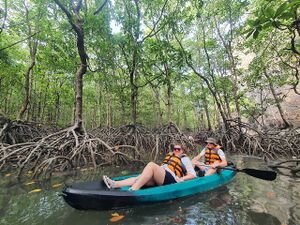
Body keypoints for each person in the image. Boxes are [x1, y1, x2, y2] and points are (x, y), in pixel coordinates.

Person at [103, 144, 196, 190]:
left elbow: (192, 175)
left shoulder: (185, 159)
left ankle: (134, 189)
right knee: (139, 177)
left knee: (151, 165)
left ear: (182, 151)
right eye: (174, 149)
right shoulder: (171, 156)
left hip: (172, 179)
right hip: (163, 176)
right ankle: (115, 184)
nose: (176, 150)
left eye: (178, 149)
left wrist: (182, 179)